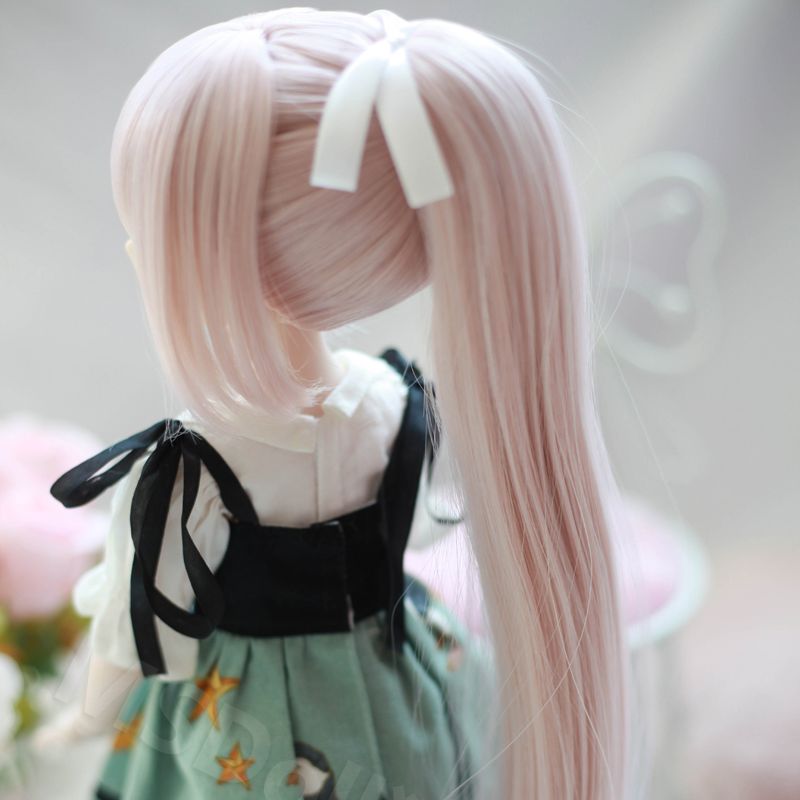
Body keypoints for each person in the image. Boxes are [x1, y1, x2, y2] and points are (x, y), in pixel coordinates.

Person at [42, 9, 630, 799]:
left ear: (226, 266)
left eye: (155, 233)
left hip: (246, 741)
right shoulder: (396, 401)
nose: (132, 250)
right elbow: (413, 530)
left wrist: (82, 718)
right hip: (400, 692)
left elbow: (139, 631)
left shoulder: (196, 464)